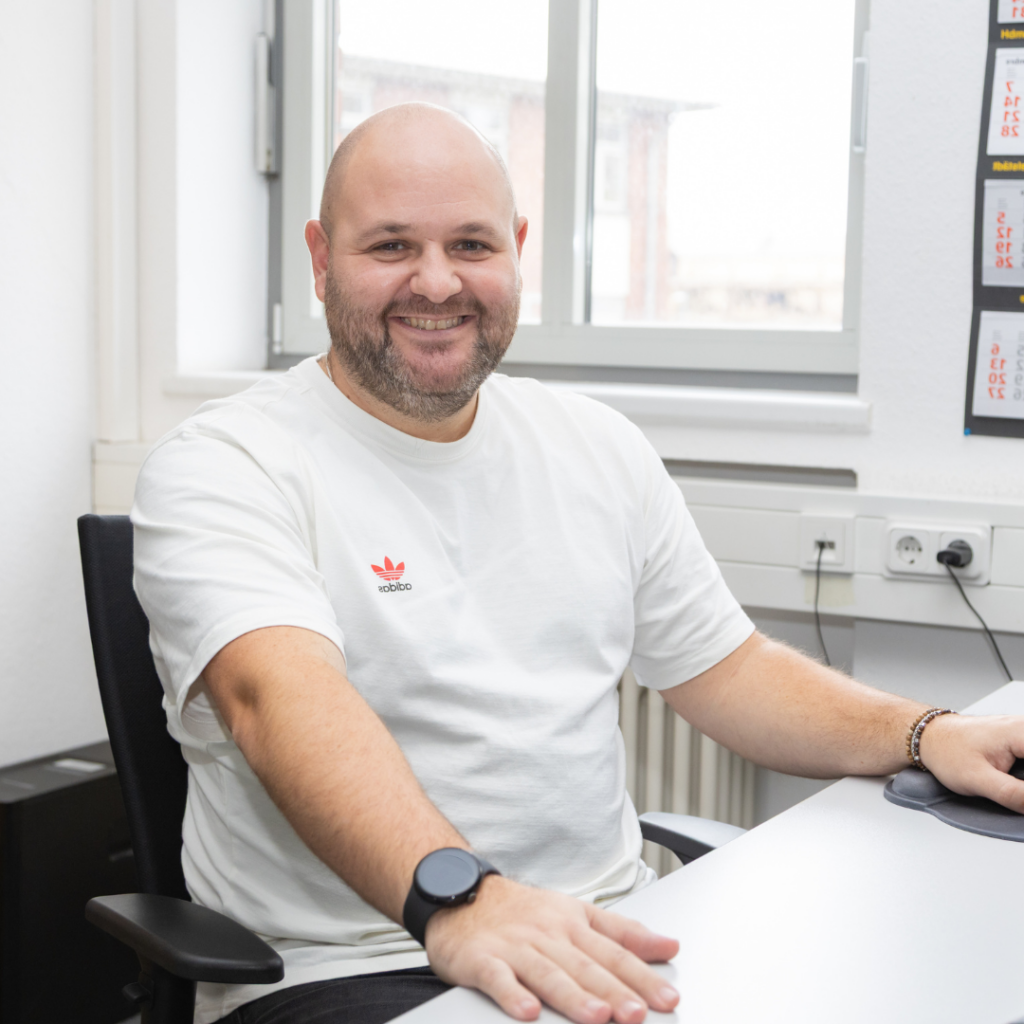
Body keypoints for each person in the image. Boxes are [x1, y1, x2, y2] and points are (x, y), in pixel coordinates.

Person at [132, 103, 1024, 1024]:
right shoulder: (226, 463)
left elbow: (730, 671)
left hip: (606, 933)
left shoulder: (595, 445)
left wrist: (928, 732)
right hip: (353, 969)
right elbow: (278, 700)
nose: (436, 282)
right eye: (391, 246)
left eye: (471, 244)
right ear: (321, 260)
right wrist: (461, 900)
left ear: (518, 250)